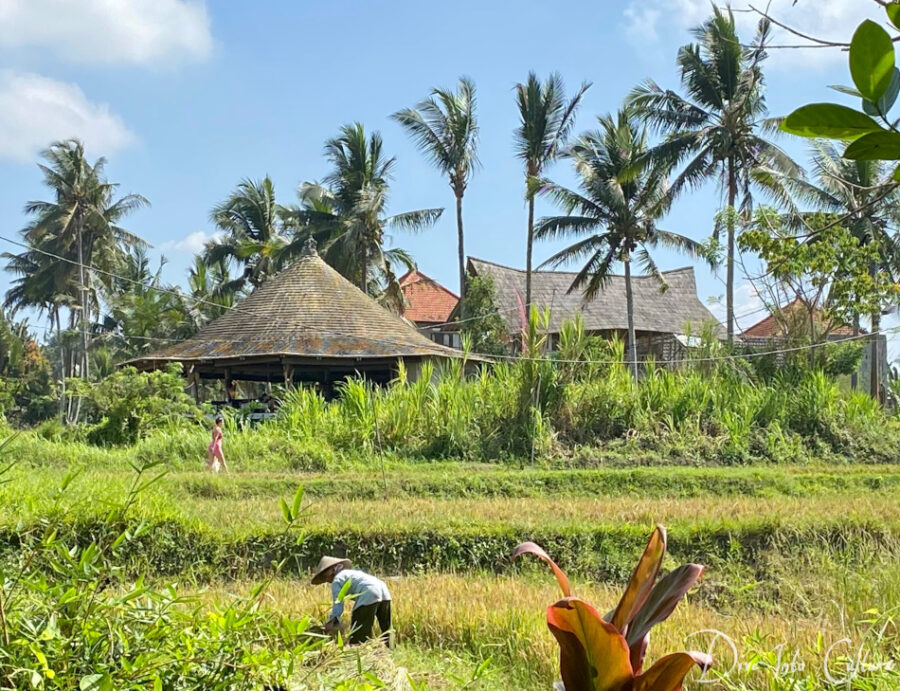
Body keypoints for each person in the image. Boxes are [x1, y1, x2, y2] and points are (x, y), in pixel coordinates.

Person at [311, 556, 392, 646]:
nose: (326, 579)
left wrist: (332, 621)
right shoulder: (349, 574)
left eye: (325, 575)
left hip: (368, 592)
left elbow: (338, 602)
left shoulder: (337, 580)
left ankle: (359, 651)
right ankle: (391, 649)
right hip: (384, 591)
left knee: (359, 630)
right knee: (387, 627)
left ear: (332, 570)